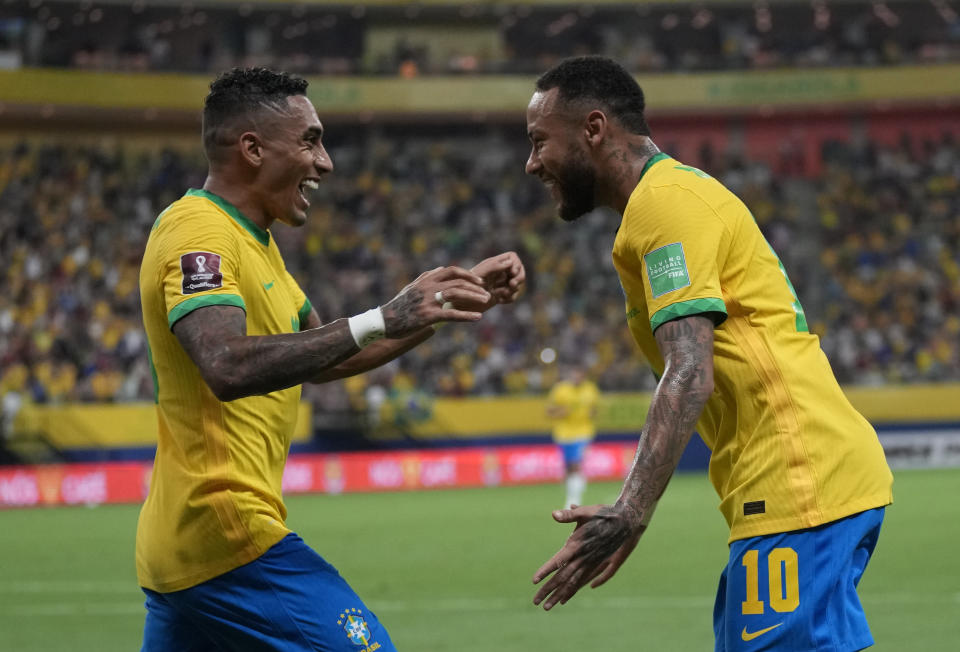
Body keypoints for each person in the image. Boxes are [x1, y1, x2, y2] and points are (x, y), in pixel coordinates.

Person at [136, 67, 525, 652]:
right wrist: (385, 315)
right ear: (252, 148)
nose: (326, 162)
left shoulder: (258, 248)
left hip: (186, 550)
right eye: (311, 140)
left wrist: (447, 298)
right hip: (225, 531)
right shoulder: (199, 232)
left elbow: (327, 358)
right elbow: (225, 364)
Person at [524, 56, 892, 652]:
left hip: (798, 481)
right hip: (805, 483)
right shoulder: (665, 202)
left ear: (593, 129)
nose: (531, 163)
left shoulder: (665, 204)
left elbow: (690, 369)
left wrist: (630, 509)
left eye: (540, 141)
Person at [545, 365, 599, 508]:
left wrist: (591, 414)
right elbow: (548, 410)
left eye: (580, 375)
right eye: (574, 375)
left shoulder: (590, 389)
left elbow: (595, 409)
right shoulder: (560, 390)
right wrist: (559, 411)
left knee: (575, 464)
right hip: (564, 433)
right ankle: (576, 485)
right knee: (569, 466)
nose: (577, 378)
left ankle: (573, 500)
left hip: (583, 432)